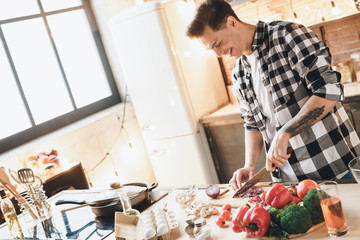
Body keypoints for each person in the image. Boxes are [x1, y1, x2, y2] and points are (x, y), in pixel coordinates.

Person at [186, 0, 360, 191]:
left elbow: (329, 90)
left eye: (217, 44)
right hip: (288, 182)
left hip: (333, 167)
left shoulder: (286, 35)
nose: (218, 54)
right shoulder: (238, 72)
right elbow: (252, 123)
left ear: (232, 22)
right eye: (212, 49)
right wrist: (249, 165)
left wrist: (287, 131)